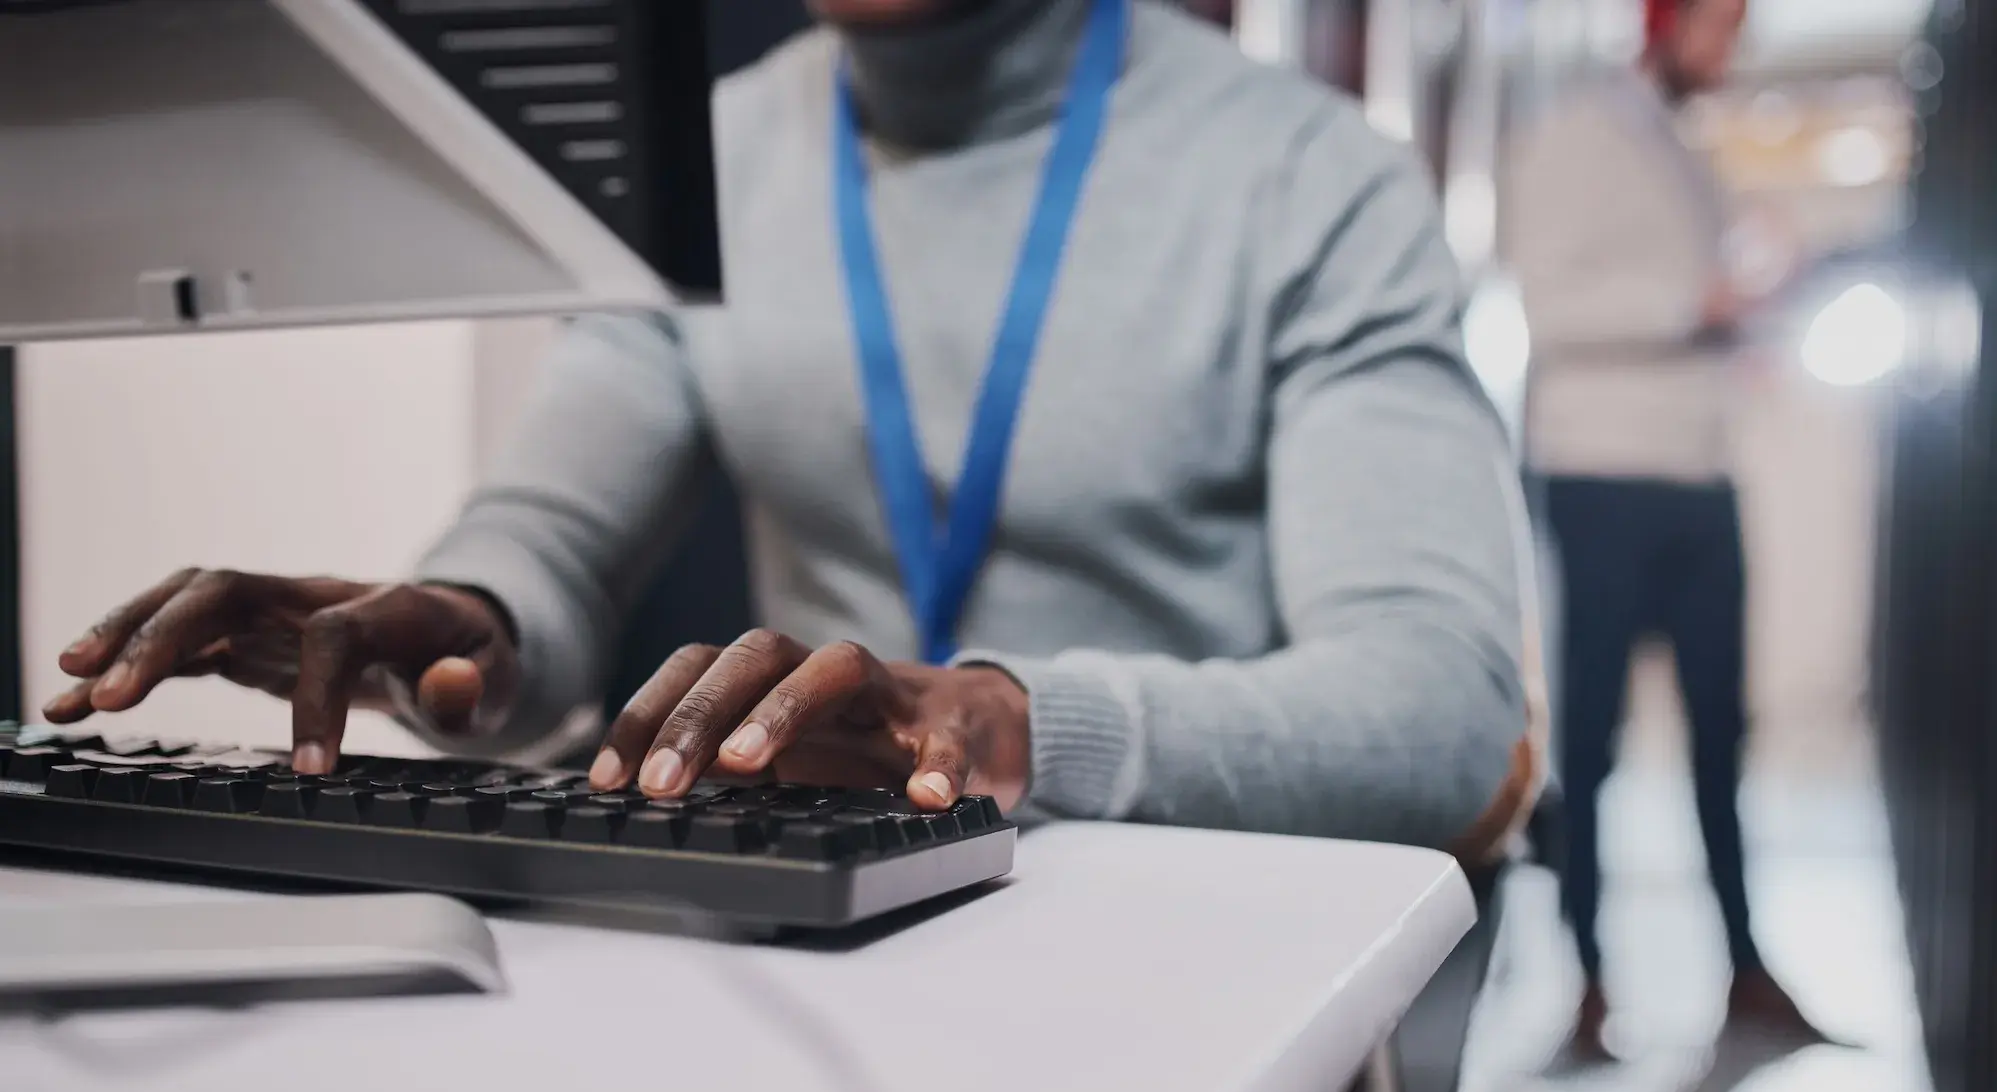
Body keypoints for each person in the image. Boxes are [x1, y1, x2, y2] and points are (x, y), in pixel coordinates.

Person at [43, 0, 1532, 853]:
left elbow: (1437, 704)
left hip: (1181, 906)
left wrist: (1014, 720)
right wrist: (462, 618)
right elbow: (557, 530)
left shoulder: (1307, 178)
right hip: (843, 911)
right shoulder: (719, 152)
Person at [1508, 0, 1825, 1060]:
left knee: (1718, 740)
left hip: (1696, 474)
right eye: (1718, 26)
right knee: (1588, 744)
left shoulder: (1685, 153)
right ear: (1665, 21)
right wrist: (1697, 299)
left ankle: (1741, 965)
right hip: (1601, 476)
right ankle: (1584, 984)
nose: (1731, 50)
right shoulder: (1574, 134)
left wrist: (1736, 325)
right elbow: (1552, 306)